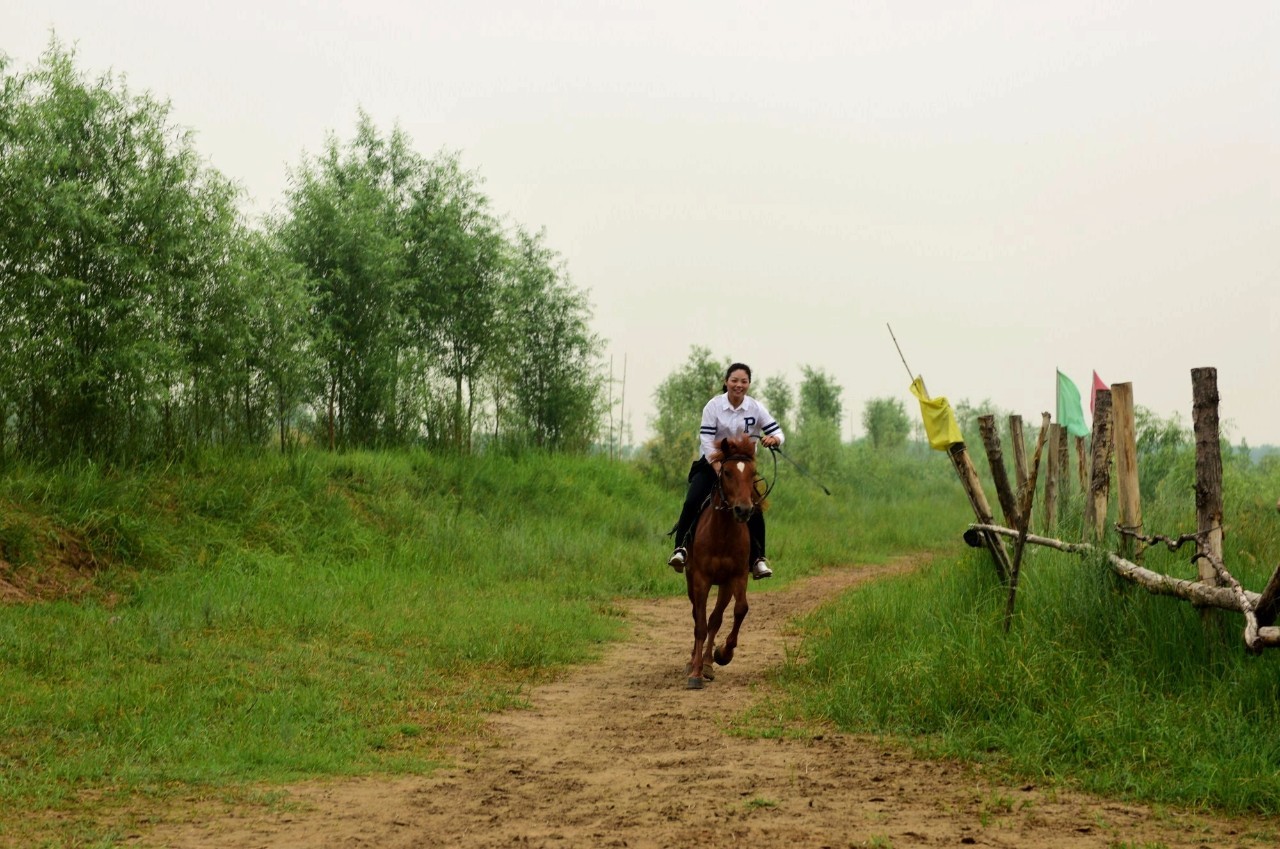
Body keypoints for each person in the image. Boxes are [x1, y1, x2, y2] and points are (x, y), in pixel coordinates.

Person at [667, 362, 784, 580]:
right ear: (726, 382)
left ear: (749, 384)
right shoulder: (713, 406)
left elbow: (777, 431)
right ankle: (681, 549)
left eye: (744, 381)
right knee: (692, 501)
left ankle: (758, 559)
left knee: (755, 508)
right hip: (713, 464)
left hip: (741, 470)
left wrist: (774, 438)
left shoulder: (755, 408)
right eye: (734, 380)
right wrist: (718, 468)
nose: (739, 385)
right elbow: (707, 440)